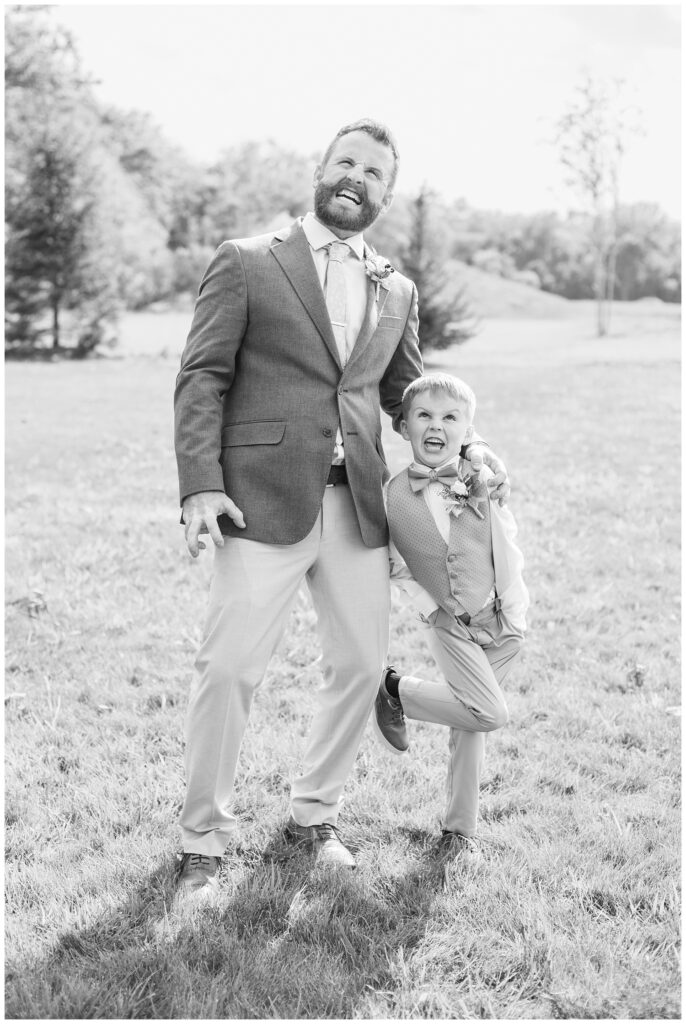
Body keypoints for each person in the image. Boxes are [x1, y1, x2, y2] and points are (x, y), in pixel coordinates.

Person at [173, 120, 509, 895]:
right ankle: (203, 842)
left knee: (359, 667)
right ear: (321, 171)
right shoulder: (249, 261)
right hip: (256, 501)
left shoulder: (397, 288)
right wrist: (200, 482)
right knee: (229, 669)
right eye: (346, 162)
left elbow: (408, 397)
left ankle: (314, 816)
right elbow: (202, 377)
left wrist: (468, 449)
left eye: (375, 171)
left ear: (386, 194)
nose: (357, 177)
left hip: (357, 506)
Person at [375, 372, 528, 855]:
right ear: (403, 427)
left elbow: (505, 538)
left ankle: (458, 831)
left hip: (503, 618)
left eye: (449, 417)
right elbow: (397, 567)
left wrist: (514, 607)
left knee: (469, 722)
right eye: (424, 415)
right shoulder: (394, 496)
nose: (436, 425)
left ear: (467, 429)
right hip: (450, 623)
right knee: (488, 712)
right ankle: (393, 689)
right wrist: (433, 611)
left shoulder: (482, 475)